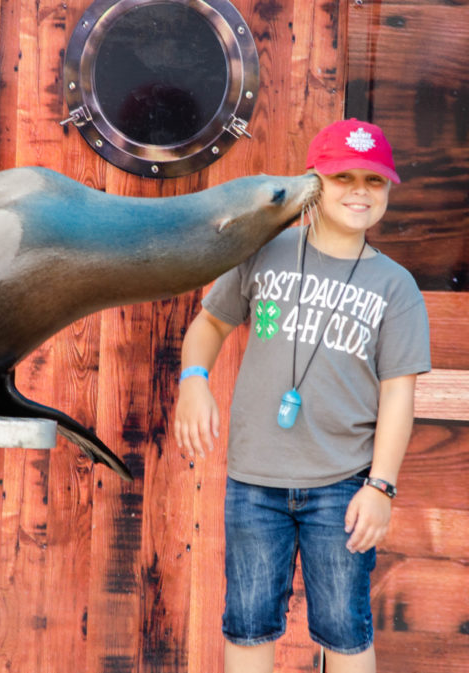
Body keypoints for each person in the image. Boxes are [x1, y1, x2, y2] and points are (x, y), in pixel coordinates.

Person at [173, 119, 431, 673]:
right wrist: (193, 382)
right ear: (314, 180)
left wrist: (381, 487)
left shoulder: (396, 288)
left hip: (343, 487)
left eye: (374, 180)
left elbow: (398, 398)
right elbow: (210, 325)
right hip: (255, 480)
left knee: (344, 631)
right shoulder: (263, 251)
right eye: (343, 177)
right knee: (246, 624)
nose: (359, 191)